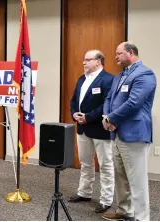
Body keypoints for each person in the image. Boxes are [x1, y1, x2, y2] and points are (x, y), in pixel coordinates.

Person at [102, 42, 157, 221]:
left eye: (119, 53)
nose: (116, 57)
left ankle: (142, 218)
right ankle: (125, 210)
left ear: (131, 53)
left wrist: (112, 119)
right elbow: (109, 98)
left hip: (134, 134)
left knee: (137, 181)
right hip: (117, 134)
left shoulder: (145, 74)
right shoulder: (120, 75)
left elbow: (134, 103)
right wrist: (106, 117)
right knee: (120, 176)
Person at [68, 50, 115, 213]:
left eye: (88, 60)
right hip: (82, 129)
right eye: (84, 59)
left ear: (98, 61)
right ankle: (84, 193)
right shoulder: (82, 79)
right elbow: (74, 100)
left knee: (106, 165)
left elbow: (107, 105)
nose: (84, 62)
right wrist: (74, 113)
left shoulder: (108, 79)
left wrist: (88, 117)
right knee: (85, 163)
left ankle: (106, 200)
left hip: (100, 129)